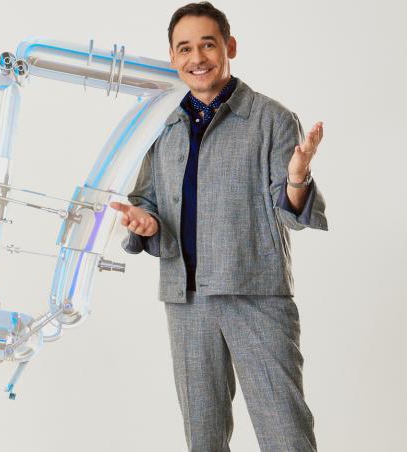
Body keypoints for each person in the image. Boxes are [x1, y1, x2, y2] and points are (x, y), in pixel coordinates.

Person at [110, 3, 327, 451]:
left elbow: (290, 214)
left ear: (230, 46)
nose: (197, 58)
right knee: (203, 438)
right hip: (185, 300)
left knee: (285, 433)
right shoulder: (160, 123)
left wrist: (297, 178)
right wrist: (144, 221)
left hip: (256, 293)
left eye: (207, 45)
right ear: (172, 56)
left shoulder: (271, 119)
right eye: (184, 48)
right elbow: (146, 199)